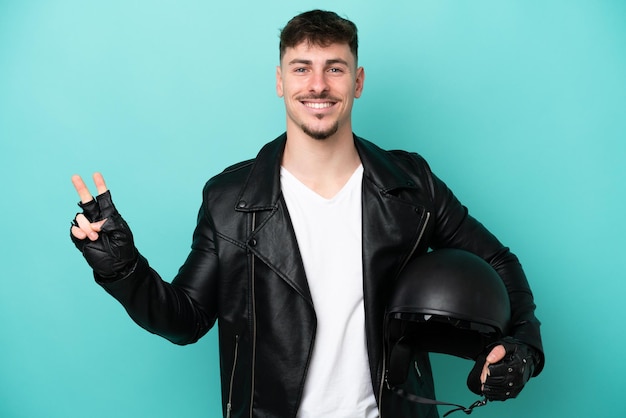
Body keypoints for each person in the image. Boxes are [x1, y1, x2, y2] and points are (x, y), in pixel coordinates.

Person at [70, 9, 544, 418]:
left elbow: (499, 263)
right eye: (302, 69)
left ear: (357, 82)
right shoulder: (228, 199)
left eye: (335, 69)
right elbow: (187, 318)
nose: (318, 85)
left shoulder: (412, 185)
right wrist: (124, 269)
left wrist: (521, 347)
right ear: (280, 81)